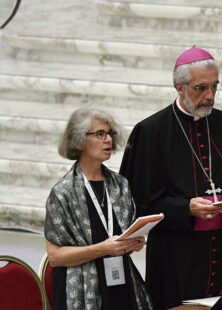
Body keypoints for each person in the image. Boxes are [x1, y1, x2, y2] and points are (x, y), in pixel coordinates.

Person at [120, 47, 222, 309]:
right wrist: (185, 208)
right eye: (201, 88)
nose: (210, 96)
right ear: (179, 87)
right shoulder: (150, 132)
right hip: (174, 256)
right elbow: (136, 203)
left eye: (214, 87)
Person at [44, 108, 152, 309]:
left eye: (110, 133)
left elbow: (123, 236)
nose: (108, 140)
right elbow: (55, 257)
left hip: (120, 283)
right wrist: (102, 248)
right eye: (100, 134)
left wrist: (134, 243)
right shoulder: (62, 192)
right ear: (80, 140)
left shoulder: (120, 185)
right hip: (81, 291)